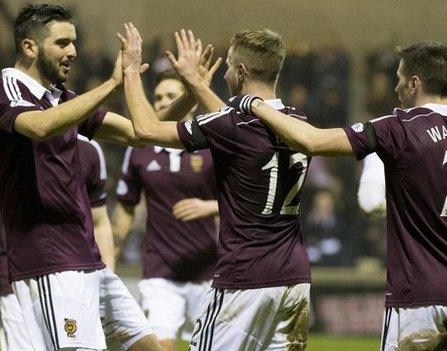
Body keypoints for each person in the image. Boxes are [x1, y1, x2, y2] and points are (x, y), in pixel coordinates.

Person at [244, 41, 447, 350]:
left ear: (415, 83)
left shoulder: (399, 128)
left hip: (417, 300)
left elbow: (312, 141)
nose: (396, 87)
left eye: (400, 78)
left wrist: (255, 105)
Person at [0, 3, 217, 350]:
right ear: (29, 47)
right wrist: (112, 84)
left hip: (88, 260)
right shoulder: (2, 93)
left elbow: (140, 132)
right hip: (49, 262)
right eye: (61, 43)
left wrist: (192, 92)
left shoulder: (61, 100)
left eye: (73, 42)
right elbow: (40, 126)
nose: (72, 51)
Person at [118, 24, 311, 350]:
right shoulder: (298, 122)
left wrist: (131, 70)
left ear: (240, 71)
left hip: (244, 276)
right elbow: (240, 124)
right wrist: (194, 86)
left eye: (229, 68)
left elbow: (145, 129)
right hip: (294, 277)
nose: (223, 78)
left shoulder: (231, 125)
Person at [0, 136, 114, 350]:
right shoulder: (1, 145)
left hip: (78, 282)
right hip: (20, 284)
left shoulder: (89, 149)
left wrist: (106, 284)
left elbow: (100, 222)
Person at [112, 70, 218, 351]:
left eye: (171, 96)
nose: (161, 102)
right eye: (158, 97)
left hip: (207, 270)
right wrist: (109, 258)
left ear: (191, 101)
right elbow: (125, 207)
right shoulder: (139, 150)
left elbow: (240, 201)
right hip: (160, 271)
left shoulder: (211, 146)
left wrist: (209, 206)